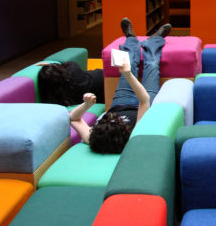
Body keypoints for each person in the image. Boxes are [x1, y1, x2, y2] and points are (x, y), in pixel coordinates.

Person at [70, 18, 172, 154]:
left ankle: (130, 39)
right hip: (144, 106)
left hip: (120, 102)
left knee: (127, 63)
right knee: (152, 65)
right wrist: (128, 75)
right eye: (115, 120)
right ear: (125, 129)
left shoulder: (95, 138)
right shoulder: (135, 134)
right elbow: (144, 100)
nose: (110, 117)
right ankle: (156, 40)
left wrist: (86, 105)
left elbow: (73, 118)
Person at [37, 60, 104, 106]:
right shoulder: (73, 70)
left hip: (100, 94)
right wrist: (50, 65)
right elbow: (68, 63)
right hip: (104, 79)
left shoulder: (61, 97)